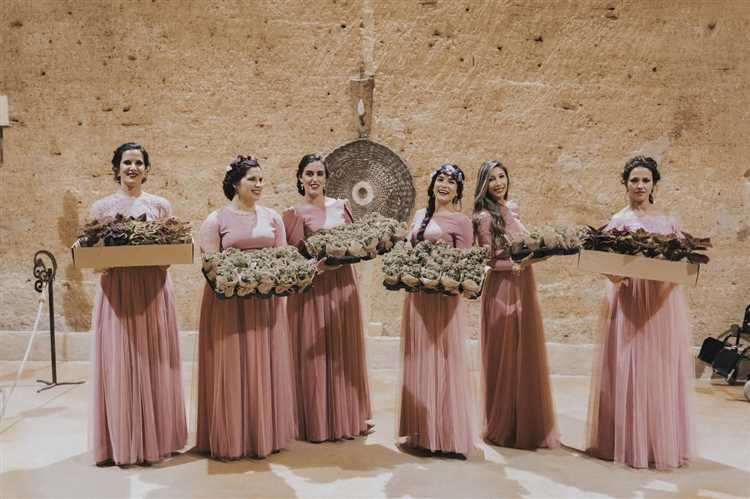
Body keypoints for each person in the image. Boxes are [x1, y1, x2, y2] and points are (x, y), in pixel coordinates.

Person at [586, 156, 693, 469]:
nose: (640, 186)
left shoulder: (669, 222)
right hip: (630, 298)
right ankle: (629, 441)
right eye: (634, 180)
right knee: (629, 367)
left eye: (646, 180)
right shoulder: (617, 221)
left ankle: (658, 441)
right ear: (625, 183)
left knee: (659, 368)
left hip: (660, 301)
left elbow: (679, 266)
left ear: (654, 184)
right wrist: (615, 276)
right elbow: (605, 264)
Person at [90, 142, 187, 466]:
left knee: (154, 361)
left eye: (138, 163)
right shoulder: (101, 208)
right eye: (127, 162)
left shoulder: (160, 205)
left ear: (147, 169)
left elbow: (171, 250)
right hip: (117, 289)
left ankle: (156, 437)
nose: (132, 168)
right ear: (116, 167)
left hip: (152, 289)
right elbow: (95, 258)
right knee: (119, 362)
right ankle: (120, 439)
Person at [196, 155, 296, 460]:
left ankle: (263, 434)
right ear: (235, 183)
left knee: (263, 363)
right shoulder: (216, 220)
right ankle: (232, 436)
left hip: (265, 303)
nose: (259, 185)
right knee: (232, 365)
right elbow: (210, 263)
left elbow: (283, 258)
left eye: (261, 179)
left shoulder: (273, 217)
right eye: (252, 179)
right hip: (230, 306)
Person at [282, 153, 372, 442]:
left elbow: (358, 242)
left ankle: (347, 415)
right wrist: (317, 266)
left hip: (342, 283)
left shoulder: (342, 207)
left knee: (343, 349)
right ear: (299, 178)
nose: (314, 179)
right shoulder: (293, 213)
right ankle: (314, 420)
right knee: (311, 349)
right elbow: (291, 258)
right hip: (311, 287)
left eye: (319, 174)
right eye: (309, 173)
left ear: (326, 178)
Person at [472, 159, 559, 450]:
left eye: (502, 176)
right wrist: (517, 264)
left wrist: (539, 253)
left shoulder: (514, 207)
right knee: (504, 353)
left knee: (525, 353)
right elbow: (487, 260)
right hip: (503, 287)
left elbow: (524, 244)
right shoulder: (484, 216)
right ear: (484, 185)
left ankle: (526, 422)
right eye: (491, 179)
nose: (498, 183)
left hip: (524, 284)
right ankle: (505, 425)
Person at [397, 163, 475, 459]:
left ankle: (445, 434)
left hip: (443, 301)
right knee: (420, 360)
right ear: (432, 185)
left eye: (451, 182)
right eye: (440, 179)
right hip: (418, 297)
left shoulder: (461, 221)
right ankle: (421, 431)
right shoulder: (419, 216)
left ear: (458, 190)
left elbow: (467, 264)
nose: (444, 185)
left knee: (444, 361)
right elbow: (408, 248)